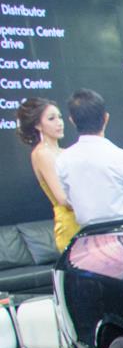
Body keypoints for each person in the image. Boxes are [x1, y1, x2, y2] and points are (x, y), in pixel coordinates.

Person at [56, 89, 123, 227]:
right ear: (106, 118)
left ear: (72, 120)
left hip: (86, 234)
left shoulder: (62, 160)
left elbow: (69, 199)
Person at [15, 97, 80, 250]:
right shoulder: (42, 153)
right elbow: (63, 198)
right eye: (51, 118)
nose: (59, 122)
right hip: (71, 224)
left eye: (60, 117)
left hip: (84, 220)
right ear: (38, 125)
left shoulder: (65, 152)